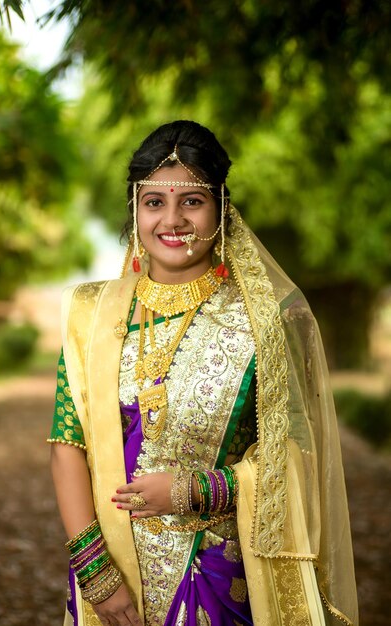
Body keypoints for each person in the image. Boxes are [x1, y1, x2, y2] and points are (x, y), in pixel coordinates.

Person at [48, 120, 359, 626]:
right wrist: (97, 574)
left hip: (223, 574)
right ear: (135, 209)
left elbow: (297, 464)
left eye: (191, 201)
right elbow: (67, 445)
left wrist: (197, 490)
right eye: (154, 202)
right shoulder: (91, 314)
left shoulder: (265, 320)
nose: (172, 219)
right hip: (110, 567)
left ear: (220, 209)